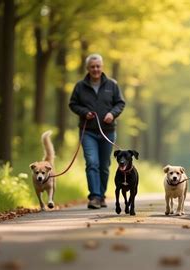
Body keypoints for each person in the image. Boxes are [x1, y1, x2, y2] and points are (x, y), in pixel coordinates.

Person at [69, 54, 126, 209]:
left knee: (104, 164)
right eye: (92, 66)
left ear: (102, 67)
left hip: (108, 131)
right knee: (92, 162)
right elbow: (72, 104)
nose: (95, 69)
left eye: (98, 66)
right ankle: (94, 196)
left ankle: (101, 195)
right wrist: (84, 112)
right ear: (87, 68)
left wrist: (112, 114)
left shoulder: (112, 85)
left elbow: (120, 103)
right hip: (88, 132)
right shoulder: (80, 86)